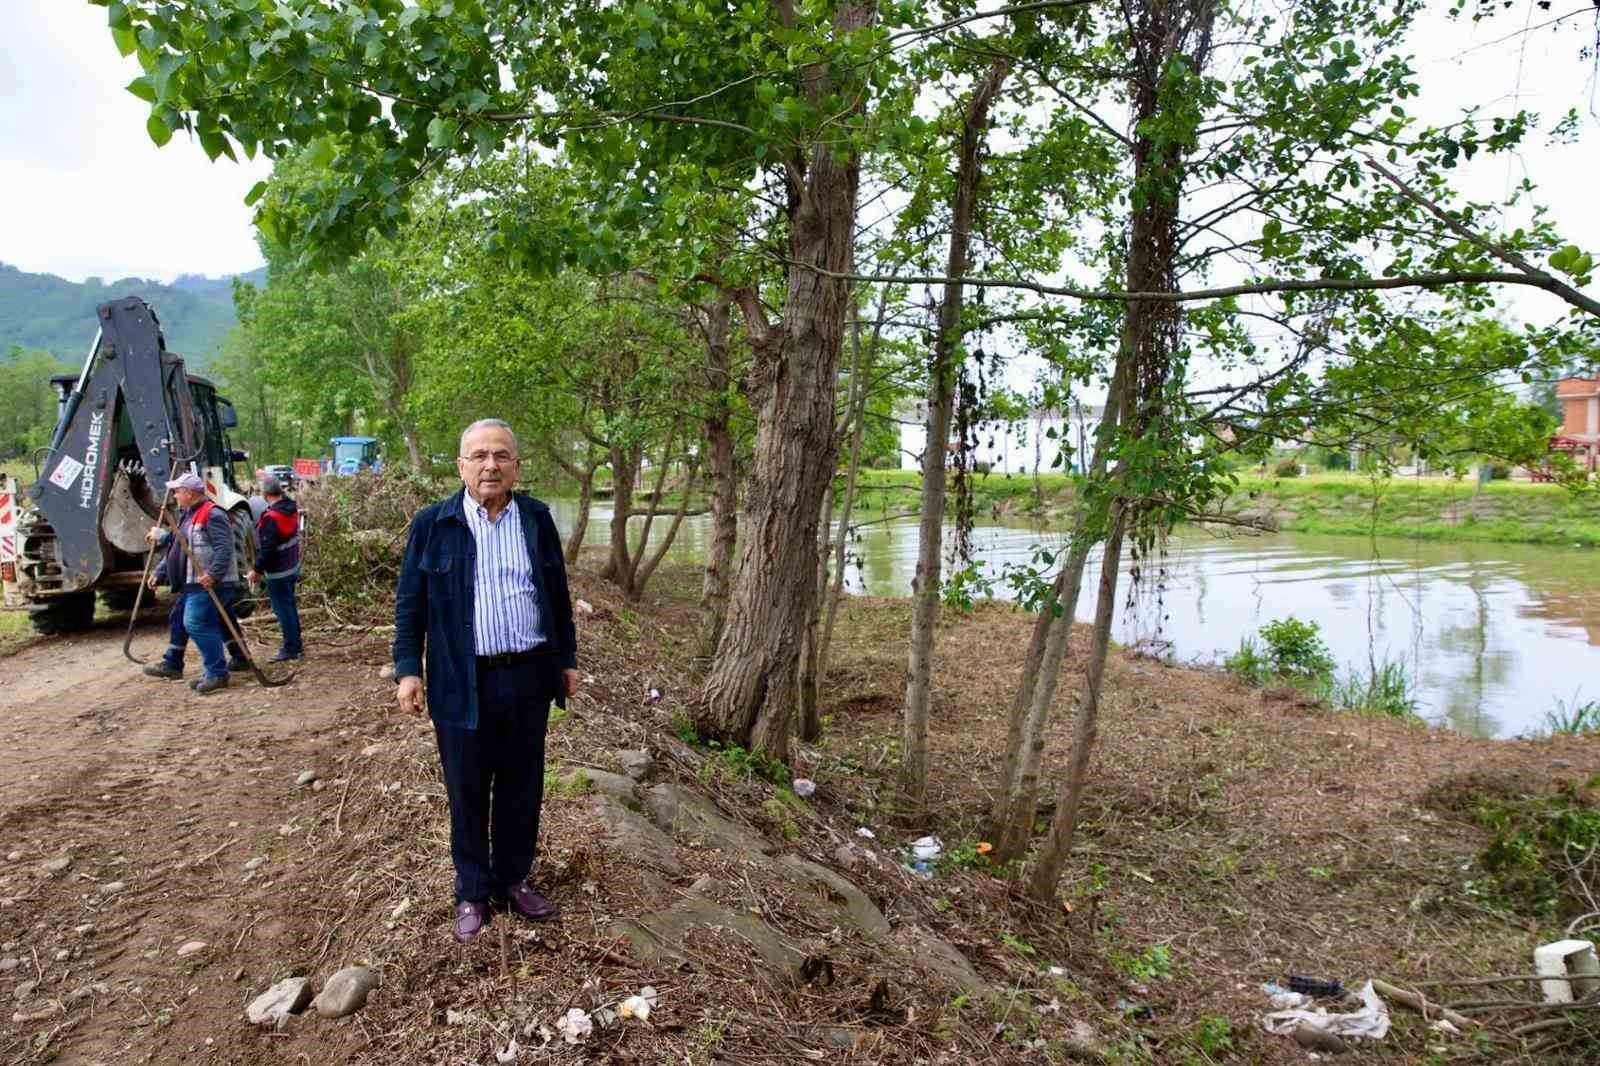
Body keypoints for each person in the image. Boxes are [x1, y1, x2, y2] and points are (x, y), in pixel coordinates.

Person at [393, 419, 580, 943]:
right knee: (467, 789)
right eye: (478, 456)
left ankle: (514, 879)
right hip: (460, 679)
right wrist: (408, 669)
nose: (490, 465)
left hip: (527, 676)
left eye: (500, 455)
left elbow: (556, 596)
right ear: (461, 466)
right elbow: (410, 604)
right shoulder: (434, 523)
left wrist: (566, 659)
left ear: (517, 465)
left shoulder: (537, 519)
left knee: (522, 787)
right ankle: (473, 891)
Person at [141, 472, 241, 693]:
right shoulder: (188, 515)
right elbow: (179, 548)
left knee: (197, 624)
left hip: (210, 583)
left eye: (177, 491)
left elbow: (225, 549)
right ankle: (215, 669)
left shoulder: (212, 514)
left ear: (189, 493)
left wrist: (213, 574)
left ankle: (217, 673)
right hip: (195, 582)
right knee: (192, 620)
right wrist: (160, 571)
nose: (175, 495)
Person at [246, 475, 303, 662]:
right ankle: (296, 644)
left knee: (282, 610)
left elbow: (268, 550)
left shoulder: (271, 518)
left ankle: (291, 648)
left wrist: (256, 570)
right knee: (289, 606)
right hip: (292, 566)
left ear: (264, 493)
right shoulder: (290, 507)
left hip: (278, 572)